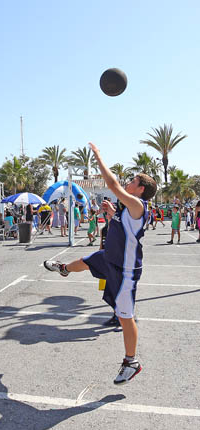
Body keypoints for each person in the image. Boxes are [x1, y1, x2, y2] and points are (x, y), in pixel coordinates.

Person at [43, 143, 157, 385]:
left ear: (141, 189)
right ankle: (63, 269)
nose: (128, 182)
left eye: (133, 180)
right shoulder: (127, 208)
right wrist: (109, 212)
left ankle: (131, 362)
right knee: (85, 262)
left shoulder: (138, 205)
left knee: (126, 316)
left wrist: (97, 156)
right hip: (110, 258)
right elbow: (120, 227)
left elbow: (113, 185)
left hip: (125, 270)